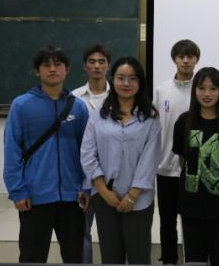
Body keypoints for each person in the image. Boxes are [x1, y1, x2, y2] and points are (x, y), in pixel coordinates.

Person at [3, 45, 89, 263]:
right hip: (35, 196)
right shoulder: (21, 105)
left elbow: (87, 151)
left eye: (58, 64)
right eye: (46, 65)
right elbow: (12, 151)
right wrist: (17, 190)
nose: (52, 69)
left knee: (74, 256)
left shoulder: (78, 108)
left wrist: (86, 186)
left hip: (72, 197)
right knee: (32, 256)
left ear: (66, 69)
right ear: (37, 71)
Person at [80, 56, 161, 264]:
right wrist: (104, 191)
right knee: (111, 256)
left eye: (133, 78)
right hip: (105, 197)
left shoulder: (150, 118)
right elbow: (87, 154)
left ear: (140, 83)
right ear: (113, 79)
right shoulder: (98, 116)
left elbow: (149, 160)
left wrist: (132, 196)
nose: (126, 83)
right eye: (121, 78)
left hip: (139, 200)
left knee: (139, 256)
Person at [172, 67, 219, 266]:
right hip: (191, 206)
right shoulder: (184, 121)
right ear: (194, 90)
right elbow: (182, 159)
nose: (207, 94)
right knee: (193, 261)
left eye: (213, 88)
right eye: (202, 88)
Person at [154, 39, 200, 265]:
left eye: (190, 56)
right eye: (181, 56)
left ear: (196, 60)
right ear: (174, 59)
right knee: (167, 221)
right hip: (165, 167)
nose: (185, 61)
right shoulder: (161, 89)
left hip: (196, 170)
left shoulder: (203, 89)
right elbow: (155, 127)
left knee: (194, 221)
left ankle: (195, 260)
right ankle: (169, 261)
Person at [72, 44, 111, 264]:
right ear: (85, 66)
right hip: (82, 178)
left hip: (111, 178)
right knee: (81, 233)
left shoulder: (119, 96)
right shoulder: (74, 98)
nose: (97, 66)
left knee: (111, 236)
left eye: (101, 61)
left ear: (108, 66)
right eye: (92, 62)